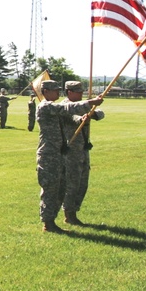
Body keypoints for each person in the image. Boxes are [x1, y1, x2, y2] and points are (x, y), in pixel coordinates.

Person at [35, 80, 103, 233]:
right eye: (54, 90)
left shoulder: (53, 107)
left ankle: (53, 221)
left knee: (60, 188)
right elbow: (66, 107)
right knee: (50, 188)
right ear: (45, 91)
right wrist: (90, 102)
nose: (58, 93)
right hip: (48, 154)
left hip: (59, 153)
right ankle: (48, 223)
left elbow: (69, 113)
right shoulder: (45, 106)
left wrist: (84, 116)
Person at [62, 81, 105, 225]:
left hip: (83, 148)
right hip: (71, 149)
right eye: (77, 91)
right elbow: (71, 117)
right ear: (69, 92)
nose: (81, 94)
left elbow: (100, 113)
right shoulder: (64, 106)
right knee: (72, 183)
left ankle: (74, 210)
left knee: (82, 183)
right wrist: (81, 118)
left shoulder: (83, 104)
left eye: (82, 91)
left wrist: (91, 115)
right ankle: (69, 213)